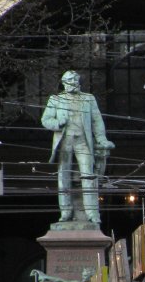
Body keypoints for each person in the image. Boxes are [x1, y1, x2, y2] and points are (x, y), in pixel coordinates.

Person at [41, 70, 115, 225]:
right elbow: (46, 119)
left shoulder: (89, 99)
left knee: (88, 175)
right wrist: (58, 124)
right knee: (63, 176)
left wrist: (101, 139)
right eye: (68, 82)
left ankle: (92, 212)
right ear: (63, 83)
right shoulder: (56, 99)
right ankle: (66, 211)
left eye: (74, 81)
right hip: (65, 141)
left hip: (83, 141)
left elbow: (97, 120)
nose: (71, 84)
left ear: (78, 82)